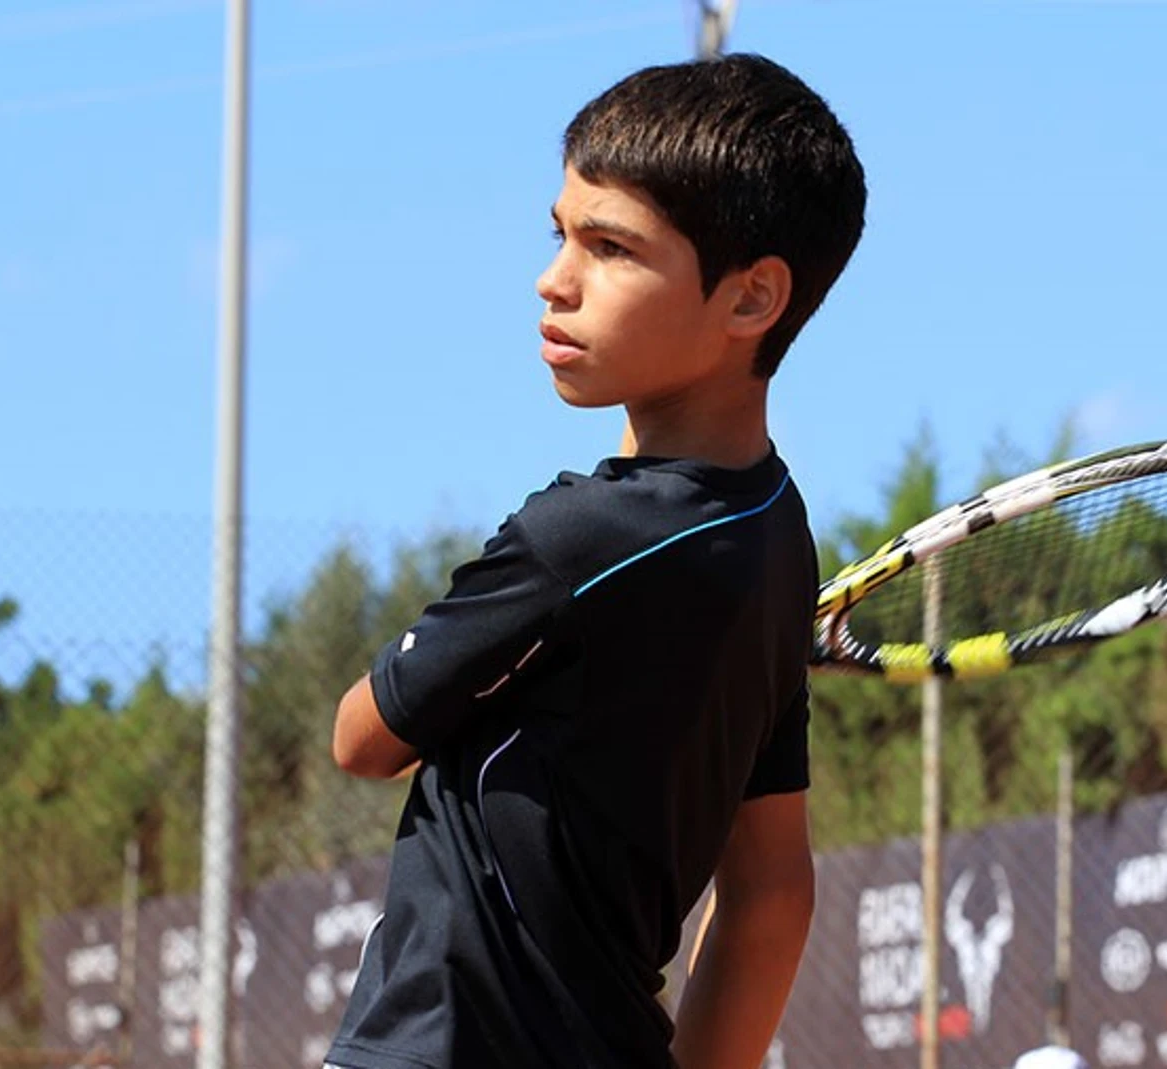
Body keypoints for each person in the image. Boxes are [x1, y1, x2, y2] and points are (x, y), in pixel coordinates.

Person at [321, 53, 868, 1069]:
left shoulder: (578, 538)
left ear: (752, 300)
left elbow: (363, 736)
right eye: (560, 233)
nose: (555, 279)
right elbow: (771, 890)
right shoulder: (778, 538)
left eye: (611, 247)